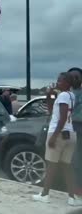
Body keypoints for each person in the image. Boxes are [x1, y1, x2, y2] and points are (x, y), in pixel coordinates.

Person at [32, 72, 81, 206]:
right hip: (71, 134)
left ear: (67, 83)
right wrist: (50, 95)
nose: (57, 82)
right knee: (67, 166)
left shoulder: (64, 95)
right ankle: (72, 198)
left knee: (52, 166)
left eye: (60, 81)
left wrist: (53, 136)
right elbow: (51, 110)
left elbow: (63, 118)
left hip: (58, 133)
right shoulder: (70, 95)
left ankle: (45, 195)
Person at [68, 67, 82, 196]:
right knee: (74, 159)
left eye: (77, 76)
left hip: (79, 127)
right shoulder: (66, 93)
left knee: (77, 159)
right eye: (71, 77)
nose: (74, 79)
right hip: (71, 128)